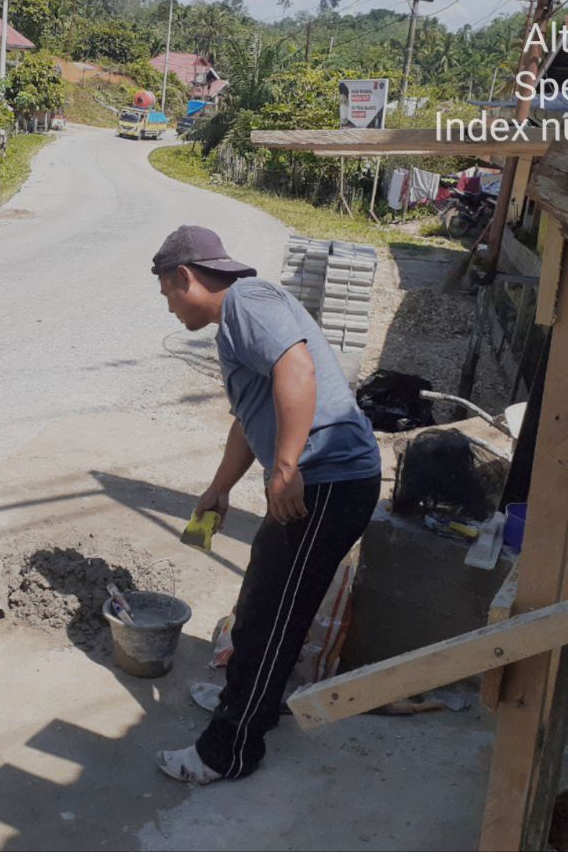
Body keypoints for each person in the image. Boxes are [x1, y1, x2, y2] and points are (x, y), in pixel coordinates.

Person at [150, 225, 382, 783]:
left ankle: (227, 752)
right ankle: (247, 701)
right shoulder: (237, 322)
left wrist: (284, 469)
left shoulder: (248, 302)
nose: (168, 307)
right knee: (263, 602)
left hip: (329, 482)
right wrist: (219, 488)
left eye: (166, 293)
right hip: (319, 481)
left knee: (272, 616)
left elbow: (295, 370)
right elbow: (249, 416)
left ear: (186, 277)